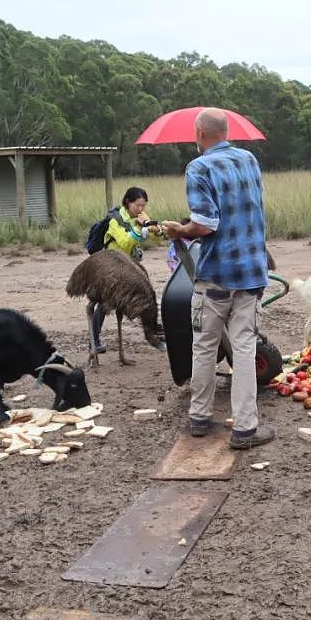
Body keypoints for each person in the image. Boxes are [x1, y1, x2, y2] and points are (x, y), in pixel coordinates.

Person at [162, 108, 274, 450]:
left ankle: (199, 419)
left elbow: (207, 223)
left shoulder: (198, 167)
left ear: (199, 134)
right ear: (225, 132)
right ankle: (244, 429)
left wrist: (180, 229)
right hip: (251, 272)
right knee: (243, 348)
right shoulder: (250, 160)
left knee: (205, 346)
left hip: (215, 277)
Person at [90, 186, 163, 353]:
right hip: (111, 267)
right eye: (138, 205)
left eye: (143, 205)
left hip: (128, 267)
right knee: (104, 304)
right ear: (128, 202)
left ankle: (153, 329)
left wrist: (156, 230)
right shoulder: (115, 220)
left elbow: (152, 234)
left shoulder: (136, 218)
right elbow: (124, 242)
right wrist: (140, 228)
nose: (141, 209)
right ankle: (93, 340)